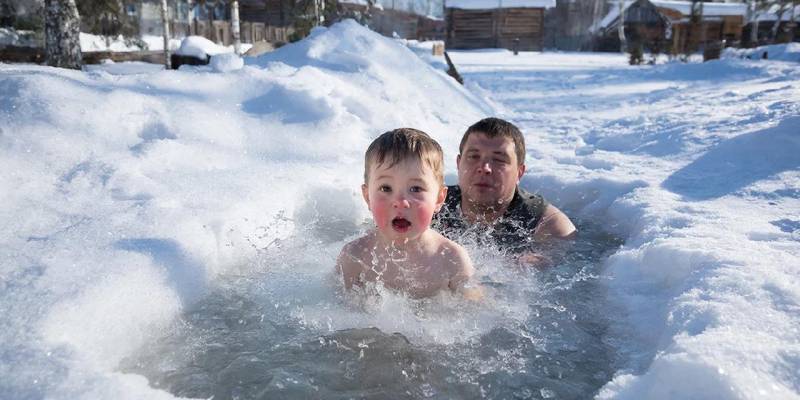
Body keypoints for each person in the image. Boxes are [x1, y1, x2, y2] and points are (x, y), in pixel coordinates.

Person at [336, 128, 482, 300]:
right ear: (368, 197)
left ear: (439, 198)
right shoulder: (355, 256)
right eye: (386, 188)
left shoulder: (452, 259)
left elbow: (475, 311)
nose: (400, 202)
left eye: (416, 189)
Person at [433, 117, 576, 262]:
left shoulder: (547, 226)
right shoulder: (432, 205)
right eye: (474, 156)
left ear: (519, 172)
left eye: (499, 160)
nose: (484, 168)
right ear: (458, 164)